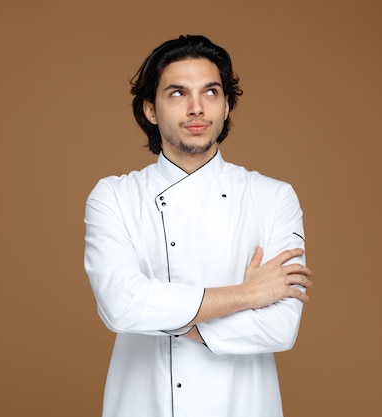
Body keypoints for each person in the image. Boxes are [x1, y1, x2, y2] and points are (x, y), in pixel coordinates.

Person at [84, 35, 313, 417]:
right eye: (177, 93)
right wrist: (247, 295)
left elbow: (280, 327)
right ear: (151, 110)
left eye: (210, 92)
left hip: (242, 406)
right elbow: (120, 305)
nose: (196, 108)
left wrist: (160, 312)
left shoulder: (273, 197)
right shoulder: (114, 196)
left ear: (226, 106)